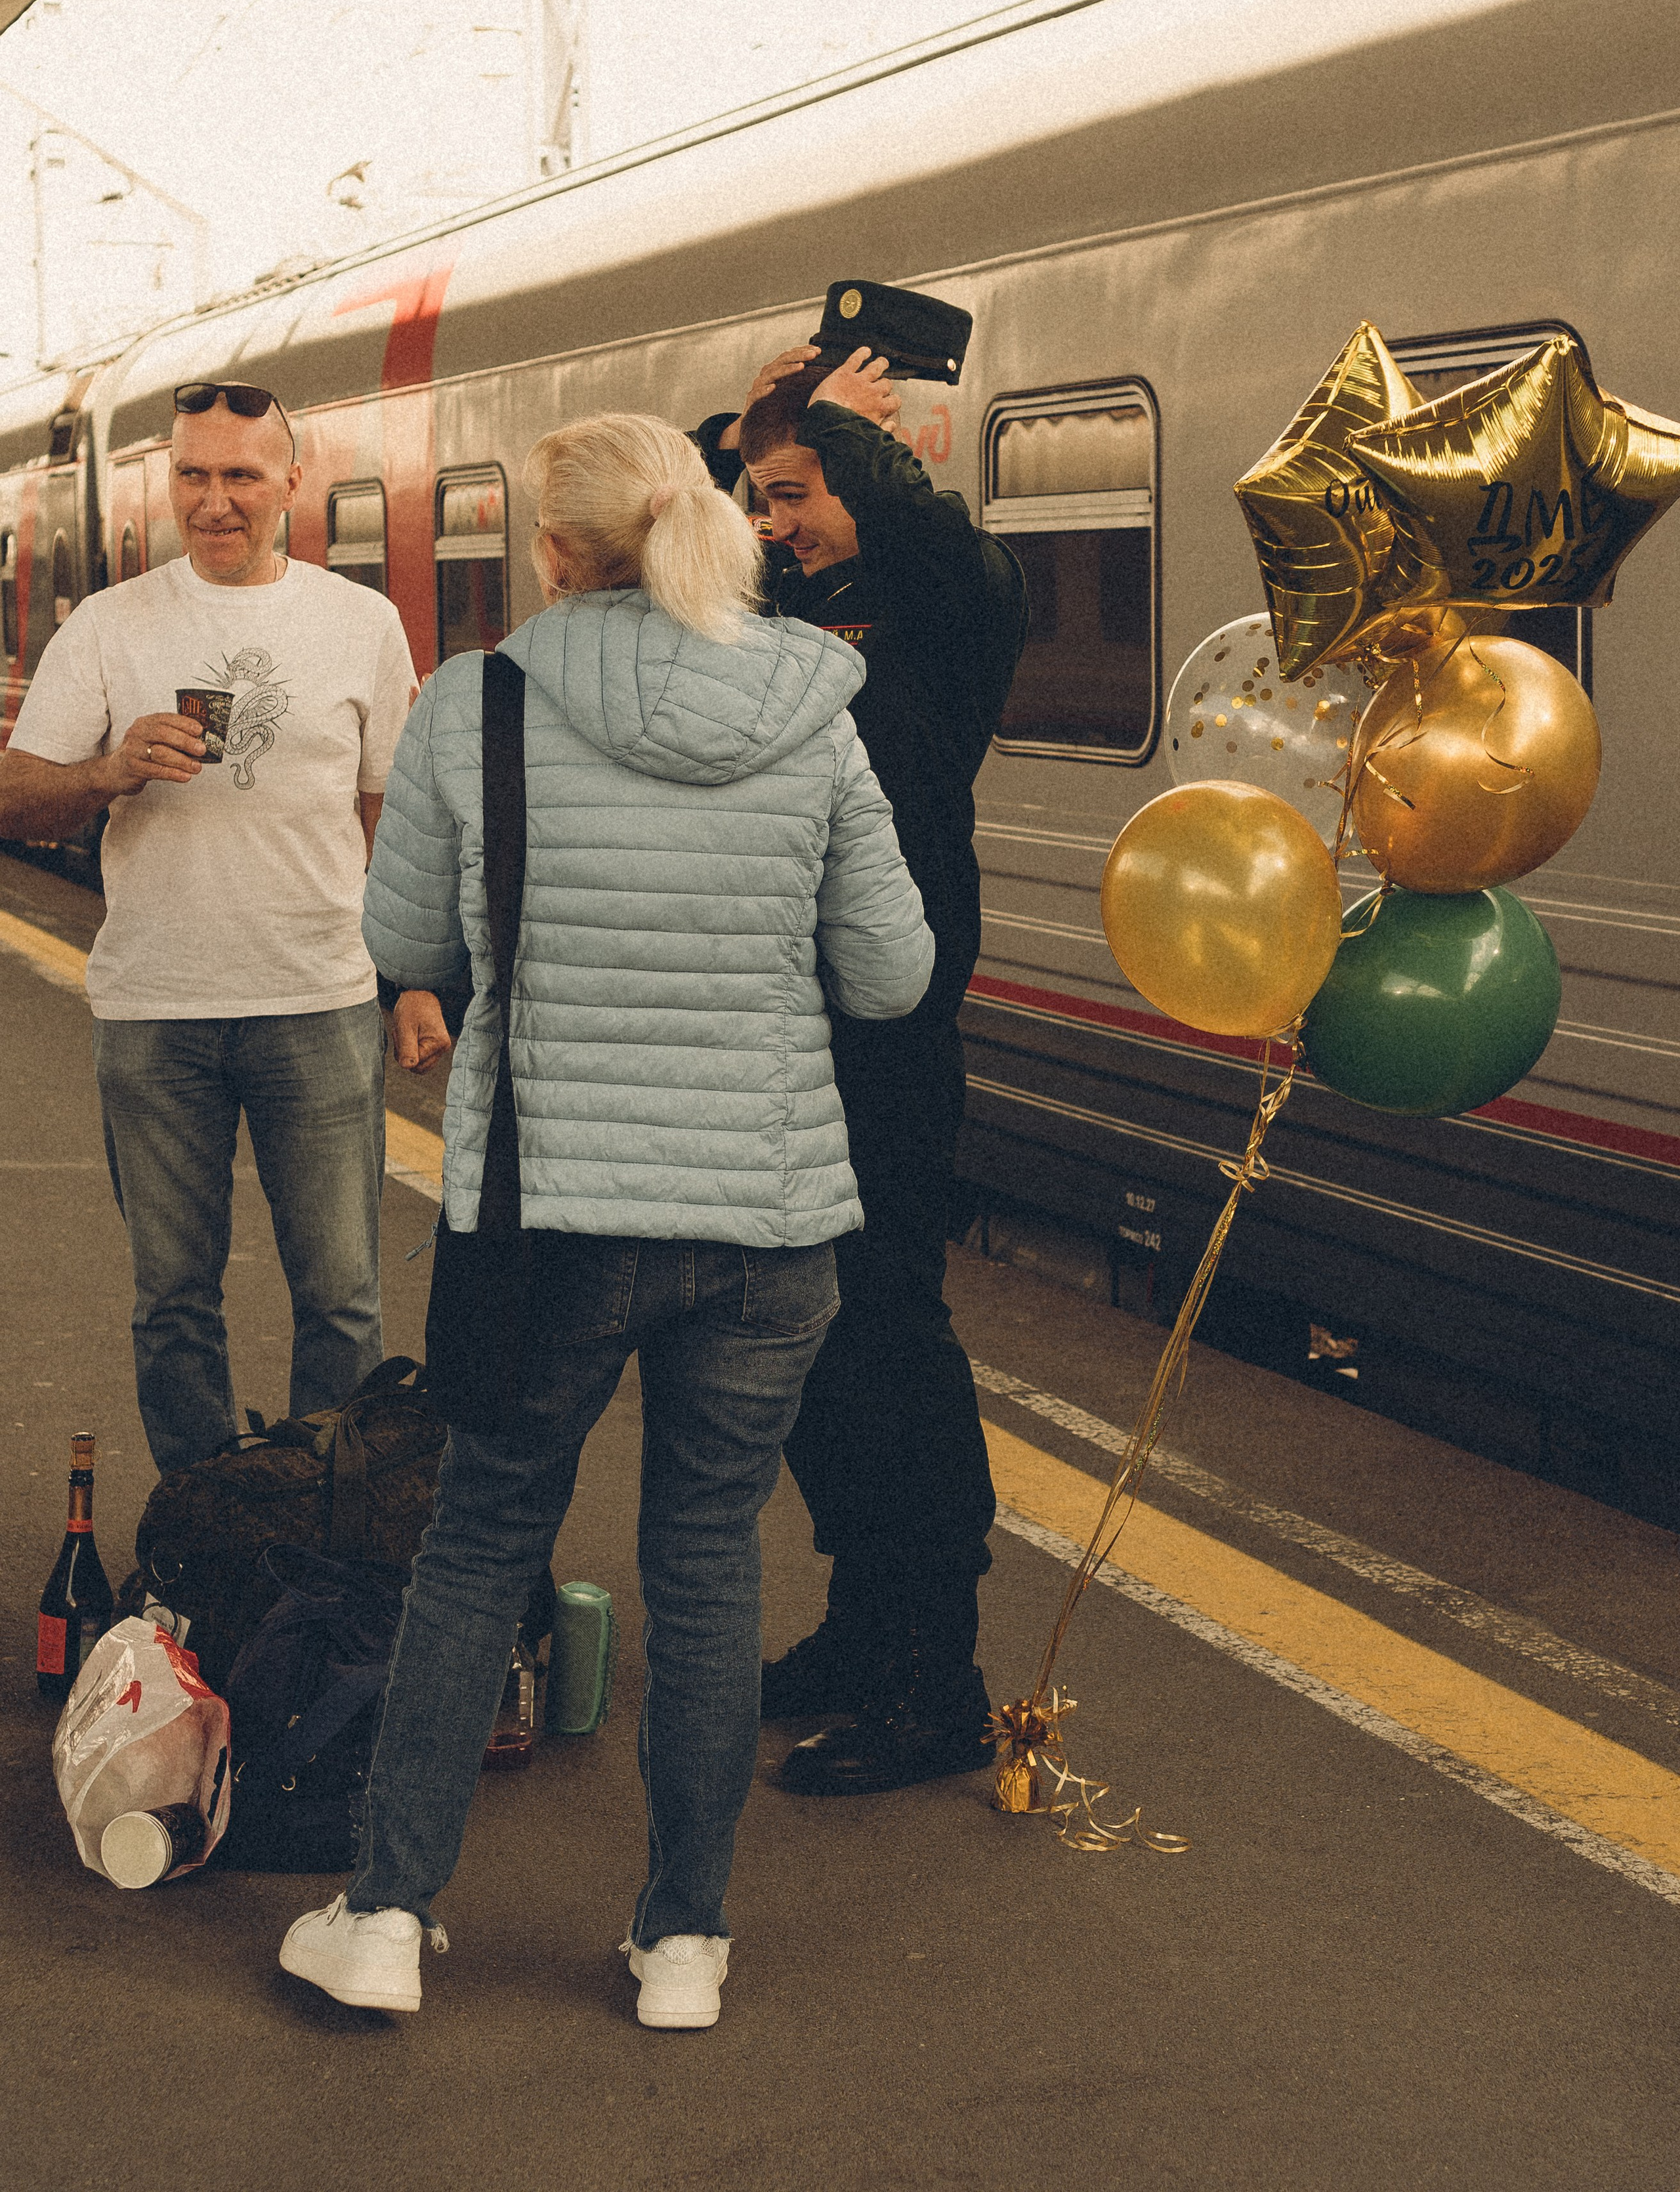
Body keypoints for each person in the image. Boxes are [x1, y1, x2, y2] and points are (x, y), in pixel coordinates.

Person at [278, 409, 933, 2029]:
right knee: (707, 1566)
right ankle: (683, 1945)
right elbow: (890, 975)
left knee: (479, 1548)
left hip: (549, 1214)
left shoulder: (477, 701)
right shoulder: (814, 706)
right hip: (764, 1221)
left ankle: (383, 1919)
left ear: (553, 550)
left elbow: (406, 937)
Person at [691, 285, 1026, 1799]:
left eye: (798, 497)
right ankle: (857, 1618)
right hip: (786, 1032)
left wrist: (837, 432)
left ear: (867, 484)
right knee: (811, 1348)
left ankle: (930, 1676)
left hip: (889, 1044)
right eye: (763, 504)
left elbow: (926, 536)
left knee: (888, 1339)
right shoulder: (785, 617)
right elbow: (683, 574)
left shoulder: (951, 616)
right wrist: (744, 444)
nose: (778, 524)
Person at [0, 381, 417, 1474]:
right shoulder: (111, 623)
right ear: (169, 483)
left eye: (241, 475)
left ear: (292, 482)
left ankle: (323, 1522)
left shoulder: (360, 623)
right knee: (173, 1299)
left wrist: (410, 974)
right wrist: (105, 770)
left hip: (317, 999)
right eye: (194, 475)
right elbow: (16, 796)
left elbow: (392, 818)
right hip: (153, 1008)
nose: (215, 500)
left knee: (342, 1297)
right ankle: (209, 1524)